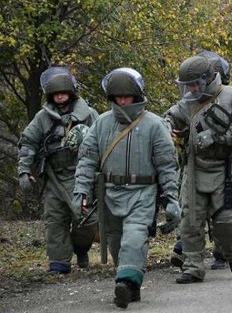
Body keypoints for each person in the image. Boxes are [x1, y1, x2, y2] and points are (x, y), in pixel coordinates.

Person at [72, 68, 180, 309]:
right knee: (116, 243)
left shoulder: (154, 125)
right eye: (117, 97)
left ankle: (124, 283)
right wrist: (80, 192)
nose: (122, 101)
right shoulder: (101, 123)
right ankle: (131, 285)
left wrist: (172, 199)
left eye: (127, 96)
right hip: (109, 193)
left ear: (136, 95)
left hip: (142, 193)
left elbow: (167, 165)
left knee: (134, 238)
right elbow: (87, 160)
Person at [165, 55, 232, 284]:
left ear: (207, 79)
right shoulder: (189, 101)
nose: (191, 89)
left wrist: (218, 137)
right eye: (187, 86)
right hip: (194, 166)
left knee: (226, 219)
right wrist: (167, 127)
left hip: (224, 166)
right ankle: (192, 267)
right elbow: (172, 115)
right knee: (190, 219)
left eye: (194, 84)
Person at [17, 67, 99, 275]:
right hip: (53, 176)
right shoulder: (42, 118)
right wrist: (24, 170)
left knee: (86, 219)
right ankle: (59, 262)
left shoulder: (89, 115)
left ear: (71, 93)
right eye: (56, 93)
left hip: (82, 175)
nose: (60, 96)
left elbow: (103, 140)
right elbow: (28, 143)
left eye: (63, 92)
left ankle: (80, 248)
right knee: (55, 220)